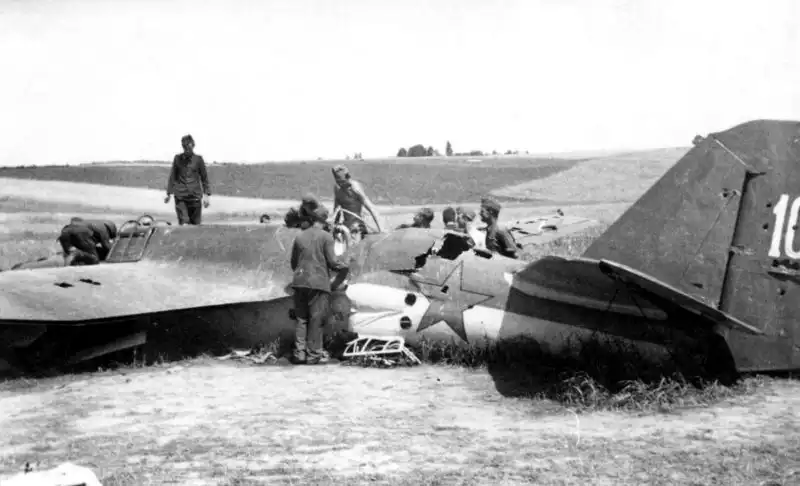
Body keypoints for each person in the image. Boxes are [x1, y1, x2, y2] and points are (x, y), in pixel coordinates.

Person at [289, 199, 349, 365]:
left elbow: (293, 263)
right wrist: (345, 267)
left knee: (301, 319)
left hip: (299, 281)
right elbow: (333, 262)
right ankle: (314, 354)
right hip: (318, 283)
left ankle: (299, 354)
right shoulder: (326, 237)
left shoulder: (300, 236)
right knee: (316, 319)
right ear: (324, 220)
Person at [164, 134, 212, 225]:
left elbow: (204, 178)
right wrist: (168, 193)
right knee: (184, 224)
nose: (187, 150)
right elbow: (173, 176)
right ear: (183, 147)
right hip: (181, 197)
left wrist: (206, 195)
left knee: (195, 226)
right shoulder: (177, 159)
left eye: (189, 147)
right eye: (185, 148)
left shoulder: (198, 159)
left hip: (195, 197)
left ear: (193, 145)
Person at [332, 165, 384, 236]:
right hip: (345, 227)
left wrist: (381, 229)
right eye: (338, 182)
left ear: (348, 177)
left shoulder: (355, 188)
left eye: (342, 182)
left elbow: (372, 209)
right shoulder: (337, 189)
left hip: (357, 227)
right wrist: (334, 226)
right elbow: (336, 210)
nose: (340, 184)